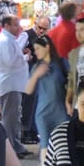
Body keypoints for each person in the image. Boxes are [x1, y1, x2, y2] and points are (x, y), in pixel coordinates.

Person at [0, 15, 33, 159]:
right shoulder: (4, 41)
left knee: (14, 116)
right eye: (15, 25)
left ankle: (16, 145)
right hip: (9, 83)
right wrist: (26, 58)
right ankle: (11, 148)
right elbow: (10, 62)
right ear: (7, 26)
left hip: (13, 83)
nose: (19, 28)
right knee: (10, 117)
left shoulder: (9, 40)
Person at [24, 34, 69, 156]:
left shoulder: (61, 63)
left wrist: (69, 103)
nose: (35, 52)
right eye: (34, 49)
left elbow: (71, 84)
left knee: (63, 145)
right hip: (43, 113)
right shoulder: (36, 67)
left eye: (38, 48)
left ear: (47, 47)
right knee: (45, 145)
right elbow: (28, 90)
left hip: (61, 111)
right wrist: (36, 75)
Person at [21, 15, 51, 145]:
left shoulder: (43, 38)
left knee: (34, 104)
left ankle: (32, 130)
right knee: (28, 104)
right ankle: (26, 131)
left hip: (37, 75)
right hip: (27, 76)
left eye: (45, 28)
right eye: (40, 27)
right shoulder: (26, 36)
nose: (41, 31)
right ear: (35, 24)